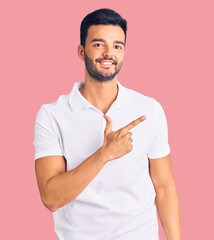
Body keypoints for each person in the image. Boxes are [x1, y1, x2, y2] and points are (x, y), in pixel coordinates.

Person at [33, 8, 180, 240]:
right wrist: (104, 154)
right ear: (81, 51)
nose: (109, 53)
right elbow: (51, 198)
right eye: (99, 44)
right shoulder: (52, 115)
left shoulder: (149, 109)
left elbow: (164, 188)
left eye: (117, 46)